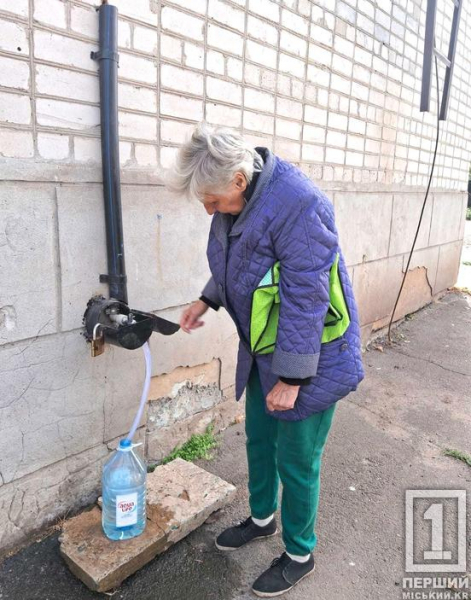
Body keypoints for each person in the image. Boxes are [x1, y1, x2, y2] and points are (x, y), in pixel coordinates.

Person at [165, 122, 364, 597]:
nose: (209, 210)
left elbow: (307, 295)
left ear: (238, 180)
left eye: (212, 201)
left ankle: (300, 553)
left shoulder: (300, 203)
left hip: (310, 355)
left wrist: (293, 378)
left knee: (296, 458)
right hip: (263, 348)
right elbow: (244, 261)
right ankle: (261, 520)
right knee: (259, 438)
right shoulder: (239, 197)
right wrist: (207, 299)